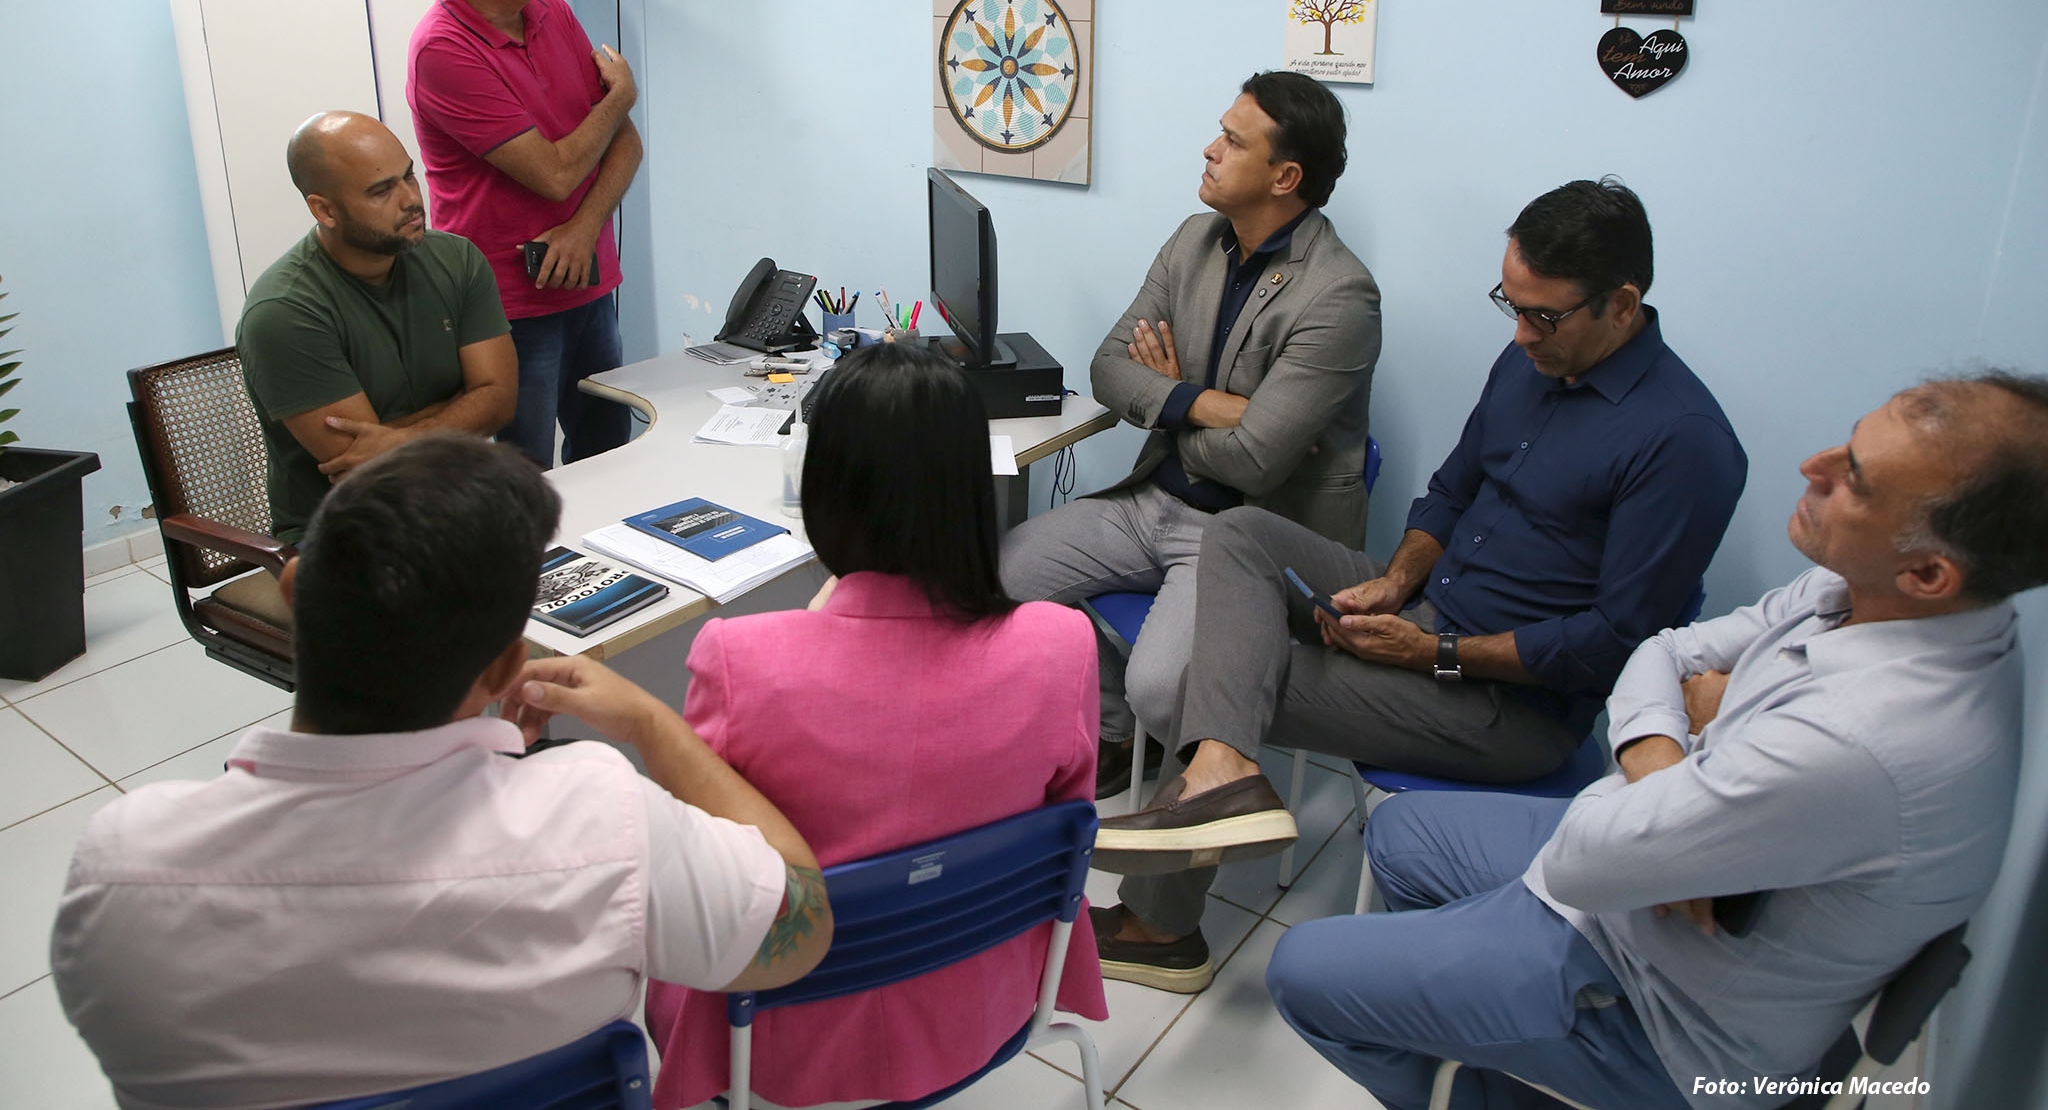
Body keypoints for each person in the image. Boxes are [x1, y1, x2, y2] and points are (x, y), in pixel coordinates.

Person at [1265, 371, 2048, 1110]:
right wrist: (1667, 763)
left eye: (1855, 479)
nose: (1815, 465)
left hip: (1668, 1015)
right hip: (1642, 890)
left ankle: (1480, 1084)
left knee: (1301, 970)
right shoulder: (1877, 591)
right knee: (1401, 834)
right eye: (1847, 443)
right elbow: (1666, 648)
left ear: (1929, 572)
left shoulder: (1863, 740)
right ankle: (1476, 1031)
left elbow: (1582, 861)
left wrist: (1673, 770)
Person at [1090, 177, 1747, 993]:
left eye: (1543, 316)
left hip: (1507, 702)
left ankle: (1161, 926)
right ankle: (1222, 774)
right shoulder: (1531, 362)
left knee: (1223, 674)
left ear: (1622, 303)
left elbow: (1613, 643)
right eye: (1510, 305)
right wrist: (1397, 580)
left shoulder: (1684, 442)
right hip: (1431, 605)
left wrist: (1431, 652)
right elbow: (1451, 488)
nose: (1520, 334)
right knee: (1241, 533)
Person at [51, 435, 832, 1108]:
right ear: (505, 667)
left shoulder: (119, 869)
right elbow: (800, 931)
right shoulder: (604, 814)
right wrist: (651, 724)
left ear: (293, 594)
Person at [644, 340, 1107, 1109]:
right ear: (972, 486)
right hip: (983, 1006)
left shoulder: (741, 660)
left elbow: (703, 870)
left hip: (780, 1045)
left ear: (828, 486)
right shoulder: (1063, 643)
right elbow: (1064, 826)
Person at [1001, 70, 1382, 797]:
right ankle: (1118, 732)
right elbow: (1108, 368)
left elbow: (1258, 463)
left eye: (1233, 141)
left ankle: (1159, 736)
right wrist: (1207, 404)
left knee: (1160, 686)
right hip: (1154, 499)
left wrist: (1168, 405)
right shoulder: (1195, 240)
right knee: (998, 577)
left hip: (1243, 533)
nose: (1210, 149)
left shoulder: (1340, 295)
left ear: (1285, 177)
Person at [408, 0, 640, 468]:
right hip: (506, 302)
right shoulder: (442, 49)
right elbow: (556, 174)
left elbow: (626, 145)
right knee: (521, 470)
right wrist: (619, 96)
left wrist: (584, 228)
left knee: (608, 453)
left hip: (586, 278)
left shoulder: (552, 12)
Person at [237, 110, 516, 543]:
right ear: (325, 209)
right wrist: (462, 410)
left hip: (460, 501)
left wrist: (399, 439)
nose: (410, 200)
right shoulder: (283, 311)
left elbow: (500, 402)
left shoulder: (457, 260)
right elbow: (367, 468)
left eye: (409, 176)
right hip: (347, 531)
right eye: (381, 191)